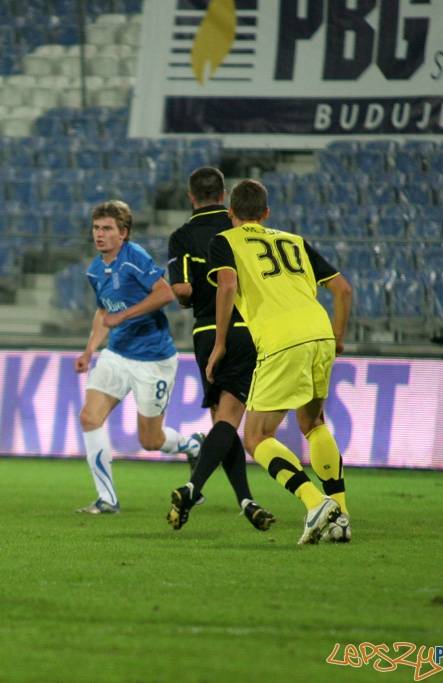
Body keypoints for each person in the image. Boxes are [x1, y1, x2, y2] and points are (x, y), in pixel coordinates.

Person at [205, 179, 352, 544]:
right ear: (266, 213)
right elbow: (343, 289)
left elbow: (226, 285)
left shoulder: (225, 240)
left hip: (282, 340)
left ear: (230, 214)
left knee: (256, 436)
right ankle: (340, 515)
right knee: (313, 422)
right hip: (319, 332)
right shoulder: (294, 241)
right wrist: (337, 336)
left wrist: (220, 342)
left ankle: (314, 501)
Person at [165, 167, 275, 532]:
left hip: (205, 332)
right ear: (225, 195)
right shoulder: (240, 232)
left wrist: (195, 297)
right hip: (243, 329)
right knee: (228, 420)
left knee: (221, 420)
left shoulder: (181, 237)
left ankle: (245, 501)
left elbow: (180, 290)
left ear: (190, 196)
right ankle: (196, 488)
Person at [74, 200, 199, 514]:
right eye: (96, 228)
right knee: (89, 418)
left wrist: (126, 315)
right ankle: (107, 500)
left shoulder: (134, 257)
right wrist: (89, 351)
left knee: (151, 440)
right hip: (116, 355)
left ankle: (193, 445)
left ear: (123, 233)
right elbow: (104, 311)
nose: (100, 234)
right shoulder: (94, 269)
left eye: (107, 229)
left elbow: (165, 293)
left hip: (153, 359)